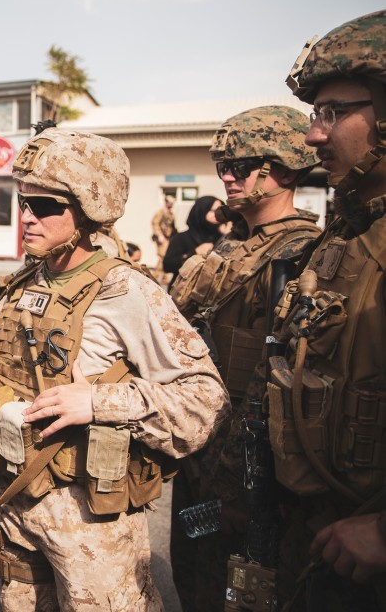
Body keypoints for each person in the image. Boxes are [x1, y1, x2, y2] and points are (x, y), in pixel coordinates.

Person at [0, 127, 229, 611]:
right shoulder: (18, 284)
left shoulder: (126, 292)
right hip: (15, 507)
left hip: (91, 528)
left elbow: (205, 401)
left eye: (46, 205)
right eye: (23, 202)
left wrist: (98, 401)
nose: (28, 217)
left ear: (88, 208)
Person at [165, 105, 321, 612]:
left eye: (243, 163)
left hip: (251, 465)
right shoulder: (231, 250)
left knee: (239, 591)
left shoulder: (306, 254)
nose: (228, 175)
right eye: (222, 166)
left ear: (285, 169)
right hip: (200, 450)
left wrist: (241, 480)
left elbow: (282, 377)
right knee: (194, 580)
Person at [265, 9, 386, 611]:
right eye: (317, 114)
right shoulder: (346, 234)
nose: (314, 136)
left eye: (334, 113)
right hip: (320, 535)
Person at [162, 195, 226, 284]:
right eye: (213, 211)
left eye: (220, 211)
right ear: (201, 211)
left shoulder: (224, 238)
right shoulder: (182, 238)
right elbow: (167, 265)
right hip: (184, 292)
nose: (217, 215)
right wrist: (194, 253)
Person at [151, 194, 177, 267]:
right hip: (163, 237)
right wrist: (159, 235)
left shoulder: (170, 214)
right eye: (170, 202)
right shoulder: (160, 213)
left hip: (169, 237)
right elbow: (155, 223)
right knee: (163, 257)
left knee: (166, 256)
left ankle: (164, 277)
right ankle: (157, 276)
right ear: (166, 202)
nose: (172, 204)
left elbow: (172, 226)